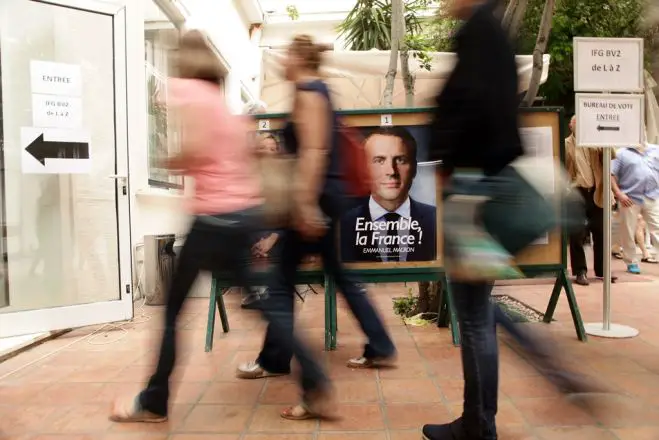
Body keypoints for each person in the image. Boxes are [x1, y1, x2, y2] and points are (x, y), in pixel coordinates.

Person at [235, 34, 396, 420]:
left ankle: (278, 360)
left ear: (299, 58)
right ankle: (378, 343)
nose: (283, 59)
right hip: (323, 199)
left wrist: (304, 204)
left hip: (316, 200)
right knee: (329, 277)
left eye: (288, 53)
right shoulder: (311, 90)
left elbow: (315, 151)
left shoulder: (308, 91)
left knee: (281, 282)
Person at [109, 30, 262, 423]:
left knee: (173, 310)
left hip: (210, 220)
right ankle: (310, 372)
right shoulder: (224, 105)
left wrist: (170, 158)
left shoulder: (186, 90)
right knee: (263, 303)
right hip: (237, 217)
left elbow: (191, 150)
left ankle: (155, 400)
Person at [340, 126, 437, 262]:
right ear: (364, 169)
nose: (391, 171)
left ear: (414, 168)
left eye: (400, 160)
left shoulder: (435, 221)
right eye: (379, 161)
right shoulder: (343, 225)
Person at [565, 115, 618, 285]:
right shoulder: (566, 144)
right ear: (570, 126)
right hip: (576, 192)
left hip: (597, 192)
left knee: (601, 232)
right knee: (577, 232)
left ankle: (602, 270)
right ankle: (580, 271)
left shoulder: (596, 144)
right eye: (577, 124)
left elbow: (612, 155)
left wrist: (601, 137)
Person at [612, 141, 659, 274]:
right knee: (628, 231)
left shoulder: (655, 150)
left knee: (657, 227)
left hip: (653, 195)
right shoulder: (621, 153)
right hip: (630, 198)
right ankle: (631, 261)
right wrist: (619, 194)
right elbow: (611, 175)